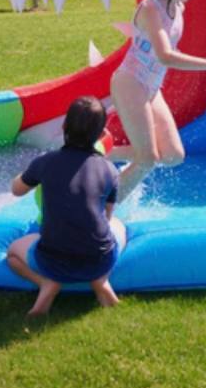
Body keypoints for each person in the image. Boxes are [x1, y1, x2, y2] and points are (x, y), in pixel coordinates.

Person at [109, 0, 206, 202]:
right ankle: (103, 207)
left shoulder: (178, 9)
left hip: (151, 88)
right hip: (130, 83)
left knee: (172, 156)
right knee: (147, 160)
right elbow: (165, 56)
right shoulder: (151, 8)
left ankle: (102, 154)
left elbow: (168, 53)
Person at [7, 96, 125, 315]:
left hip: (51, 261)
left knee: (13, 254)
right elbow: (106, 218)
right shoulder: (109, 170)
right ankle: (100, 281)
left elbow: (17, 190)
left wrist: (28, 172)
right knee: (118, 225)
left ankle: (46, 283)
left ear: (63, 127)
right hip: (98, 259)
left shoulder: (46, 162)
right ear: (101, 134)